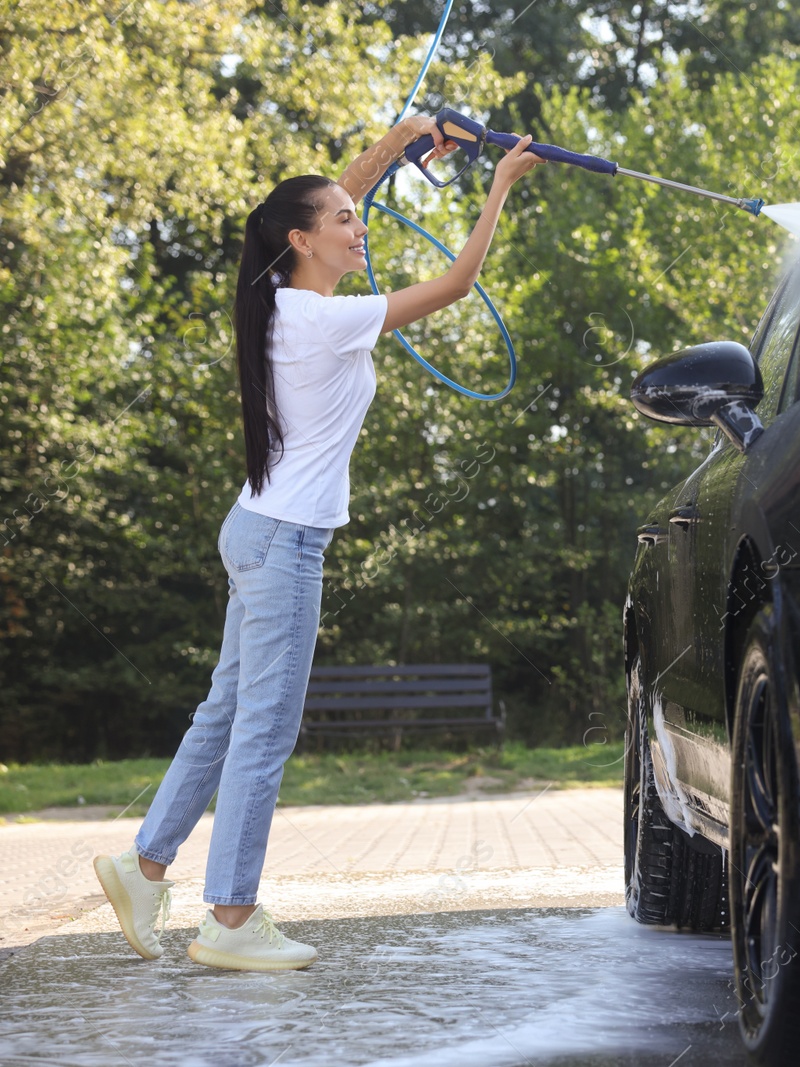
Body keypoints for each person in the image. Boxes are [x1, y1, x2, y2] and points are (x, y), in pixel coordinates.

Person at [91, 115, 542, 972]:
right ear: (302, 241)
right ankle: (229, 917)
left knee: (226, 715)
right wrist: (498, 188)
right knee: (263, 730)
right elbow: (453, 285)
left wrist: (408, 135)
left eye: (354, 212)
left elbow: (336, 191)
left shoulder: (290, 301)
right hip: (284, 544)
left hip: (258, 532)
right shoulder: (319, 319)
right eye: (342, 220)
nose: (358, 222)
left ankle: (143, 865)